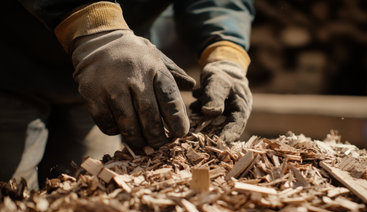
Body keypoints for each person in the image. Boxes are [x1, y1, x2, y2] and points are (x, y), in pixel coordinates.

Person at [0, 0, 254, 189]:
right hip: (11, 63)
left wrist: (225, 52)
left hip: (115, 74)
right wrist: (96, 26)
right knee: (10, 203)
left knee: (86, 196)